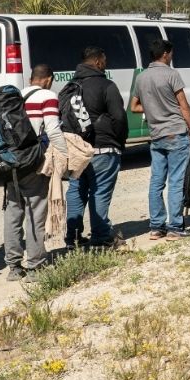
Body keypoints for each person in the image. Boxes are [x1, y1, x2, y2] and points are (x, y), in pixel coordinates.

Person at [131, 39, 190, 240]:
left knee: (156, 182)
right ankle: (175, 228)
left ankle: (156, 227)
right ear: (165, 54)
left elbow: (134, 107)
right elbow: (184, 106)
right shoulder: (171, 74)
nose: (172, 57)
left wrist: (153, 108)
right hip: (175, 133)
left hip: (156, 136)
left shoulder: (141, 78)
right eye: (171, 54)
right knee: (176, 181)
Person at [5, 65, 65, 280]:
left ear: (32, 78)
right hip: (33, 161)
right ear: (49, 78)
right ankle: (35, 265)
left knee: (13, 212)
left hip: (10, 162)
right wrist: (64, 155)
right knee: (36, 213)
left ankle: (13, 267)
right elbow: (53, 129)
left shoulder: (16, 95)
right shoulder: (48, 95)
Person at [65, 46, 128, 249]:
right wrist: (119, 141)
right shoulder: (106, 85)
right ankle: (101, 236)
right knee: (99, 191)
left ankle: (73, 238)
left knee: (76, 191)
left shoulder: (69, 87)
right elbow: (119, 117)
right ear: (99, 62)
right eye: (105, 60)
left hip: (76, 151)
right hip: (103, 148)